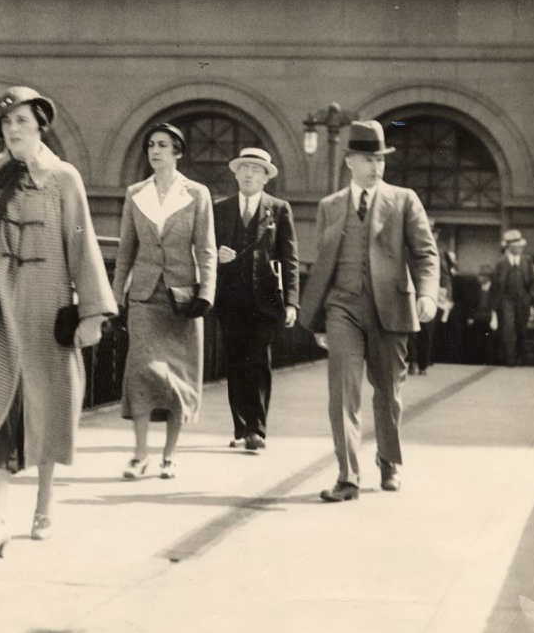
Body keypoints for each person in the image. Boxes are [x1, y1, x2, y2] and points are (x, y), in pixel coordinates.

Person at [0, 86, 116, 561]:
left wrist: (92, 312)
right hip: (1, 309)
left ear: (40, 125)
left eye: (22, 121)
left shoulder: (65, 178)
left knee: (48, 406)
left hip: (48, 308)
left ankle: (44, 504)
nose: (14, 130)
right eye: (6, 123)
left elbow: (82, 245)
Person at [300, 120, 439, 502]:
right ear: (349, 162)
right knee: (342, 393)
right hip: (341, 307)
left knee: (388, 393)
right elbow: (323, 263)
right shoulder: (329, 207)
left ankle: (388, 461)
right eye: (367, 158)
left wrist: (427, 294)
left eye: (380, 158)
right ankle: (348, 477)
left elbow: (426, 253)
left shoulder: (404, 199)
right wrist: (317, 319)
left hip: (390, 307)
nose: (376, 166)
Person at [110, 124, 217, 481]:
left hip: (182, 300)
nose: (155, 151)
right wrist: (115, 295)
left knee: (179, 376)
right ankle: (140, 454)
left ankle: (169, 456)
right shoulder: (135, 193)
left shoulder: (197, 193)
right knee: (141, 372)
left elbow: (205, 249)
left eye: (163, 146)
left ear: (178, 151)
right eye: (151, 145)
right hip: (143, 296)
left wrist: (206, 293)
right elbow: (126, 249)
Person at [213, 148, 299, 452]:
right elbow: (205, 251)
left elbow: (290, 258)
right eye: (245, 168)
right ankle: (240, 427)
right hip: (230, 300)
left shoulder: (278, 208)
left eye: (256, 169)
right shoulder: (220, 209)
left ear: (265, 178)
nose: (249, 174)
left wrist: (291, 302)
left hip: (265, 301)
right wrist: (218, 257)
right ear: (236, 173)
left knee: (259, 361)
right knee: (235, 363)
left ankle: (257, 429)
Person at [410, 221, 456, 375]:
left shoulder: (441, 253)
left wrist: (447, 293)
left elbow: (446, 274)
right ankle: (412, 363)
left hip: (432, 294)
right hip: (412, 293)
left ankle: (423, 364)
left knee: (427, 330)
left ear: (436, 235)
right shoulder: (410, 248)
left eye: (433, 232)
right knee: (411, 330)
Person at [489, 229, 534, 367]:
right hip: (506, 300)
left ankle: (520, 358)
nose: (521, 248)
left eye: (521, 246)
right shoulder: (501, 263)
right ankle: (510, 360)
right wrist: (493, 308)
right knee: (508, 329)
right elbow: (496, 286)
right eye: (518, 246)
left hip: (523, 299)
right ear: (510, 247)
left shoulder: (527, 260)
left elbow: (532, 283)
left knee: (521, 329)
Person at [466, 264, 499, 364]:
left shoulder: (495, 290)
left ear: (488, 277)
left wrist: (494, 317)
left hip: (490, 319)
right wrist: (470, 317)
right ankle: (477, 361)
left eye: (481, 276)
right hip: (477, 319)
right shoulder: (475, 288)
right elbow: (471, 305)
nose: (479, 278)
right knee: (476, 342)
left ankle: (489, 361)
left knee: (489, 342)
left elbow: (497, 306)